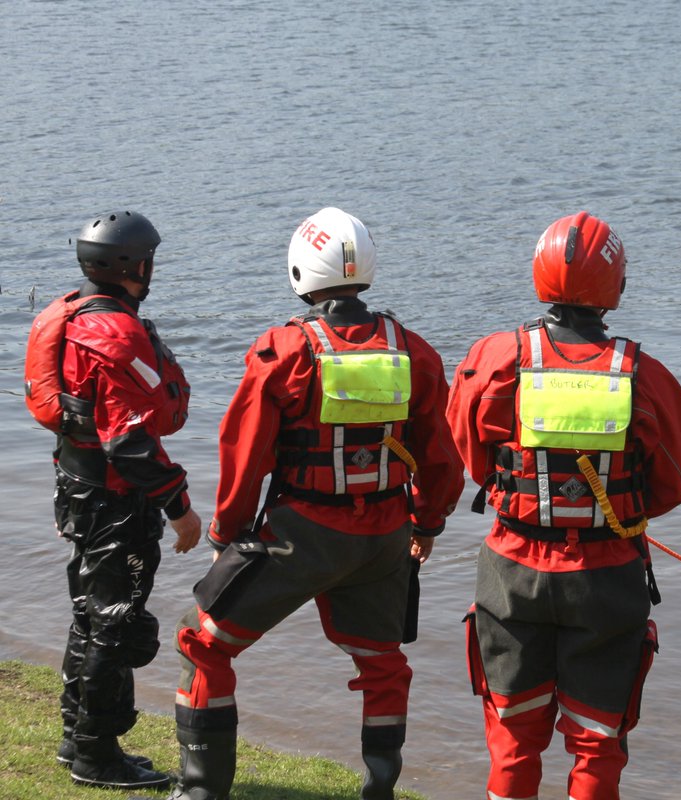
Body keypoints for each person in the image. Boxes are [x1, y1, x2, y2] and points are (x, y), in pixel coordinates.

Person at [168, 207, 465, 800]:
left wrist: (227, 532)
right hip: (385, 537)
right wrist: (427, 524)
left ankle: (202, 791)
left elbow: (243, 452)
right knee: (382, 664)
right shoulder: (415, 352)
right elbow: (442, 455)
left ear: (301, 271)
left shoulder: (286, 349)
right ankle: (379, 792)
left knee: (200, 641)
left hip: (298, 532)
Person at [448, 211, 681, 800]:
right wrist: (607, 512)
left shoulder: (494, 358)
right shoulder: (646, 376)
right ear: (617, 286)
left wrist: (530, 499)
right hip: (608, 577)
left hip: (512, 570)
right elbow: (670, 486)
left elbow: (470, 452)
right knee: (597, 739)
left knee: (513, 736)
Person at [23, 211, 202, 791]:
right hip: (115, 500)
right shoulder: (115, 332)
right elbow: (128, 442)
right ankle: (96, 756)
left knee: (90, 615)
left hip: (77, 488)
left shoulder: (72, 314)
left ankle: (77, 736)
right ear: (136, 266)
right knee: (114, 623)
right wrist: (180, 507)